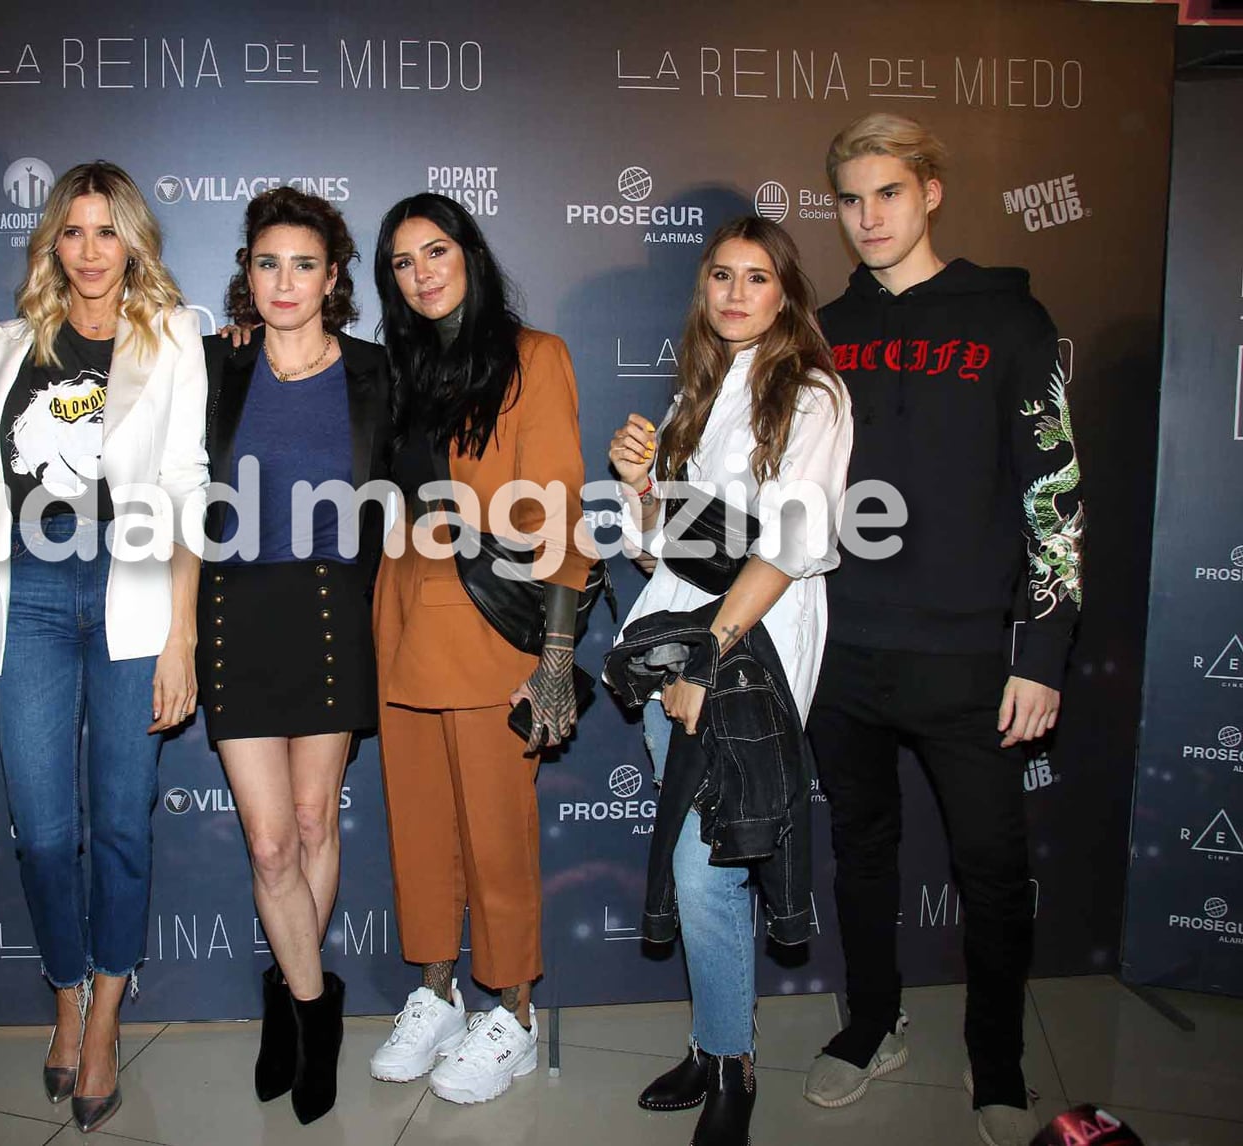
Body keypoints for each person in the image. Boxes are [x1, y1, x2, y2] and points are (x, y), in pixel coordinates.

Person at [802, 113, 1084, 1146]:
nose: (868, 217)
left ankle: (998, 1057)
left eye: (888, 193)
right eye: (849, 198)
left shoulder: (1009, 322)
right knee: (861, 851)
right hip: (844, 652)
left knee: (992, 869)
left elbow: (1052, 497)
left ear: (929, 193)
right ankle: (871, 1024)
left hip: (970, 657)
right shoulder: (823, 331)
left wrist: (1041, 653)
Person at [0, 161, 206, 1134]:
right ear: (54, 242)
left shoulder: (173, 336)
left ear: (132, 241)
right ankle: (64, 994)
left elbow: (186, 487)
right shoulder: (10, 342)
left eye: (106, 232)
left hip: (132, 602)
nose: (90, 252)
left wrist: (182, 639)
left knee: (121, 825)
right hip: (36, 600)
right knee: (44, 830)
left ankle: (105, 1019)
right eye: (73, 232)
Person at [607, 215, 853, 1146]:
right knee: (700, 859)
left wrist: (706, 657)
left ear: (786, 292)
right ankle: (715, 1047)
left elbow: (792, 542)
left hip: (741, 654)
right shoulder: (694, 397)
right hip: (677, 644)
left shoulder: (814, 396)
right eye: (721, 276)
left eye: (757, 277)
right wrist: (638, 484)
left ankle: (734, 1071)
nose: (737, 293)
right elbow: (652, 550)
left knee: (704, 872)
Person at [366, 193, 594, 1105]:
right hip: (402, 616)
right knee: (418, 824)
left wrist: (556, 658)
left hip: (490, 621)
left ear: (469, 253)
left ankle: (516, 1010)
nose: (421, 272)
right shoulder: (394, 370)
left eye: (436, 251)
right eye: (402, 261)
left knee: (497, 832)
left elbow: (563, 511)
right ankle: (436, 991)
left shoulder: (533, 358)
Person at [197, 187, 391, 1124]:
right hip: (235, 611)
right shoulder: (212, 369)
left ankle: (288, 1001)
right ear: (247, 273)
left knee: (316, 826)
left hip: (327, 608)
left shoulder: (374, 375)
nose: (283, 281)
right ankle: (319, 1010)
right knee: (269, 840)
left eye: (303, 263)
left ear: (334, 276)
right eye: (266, 263)